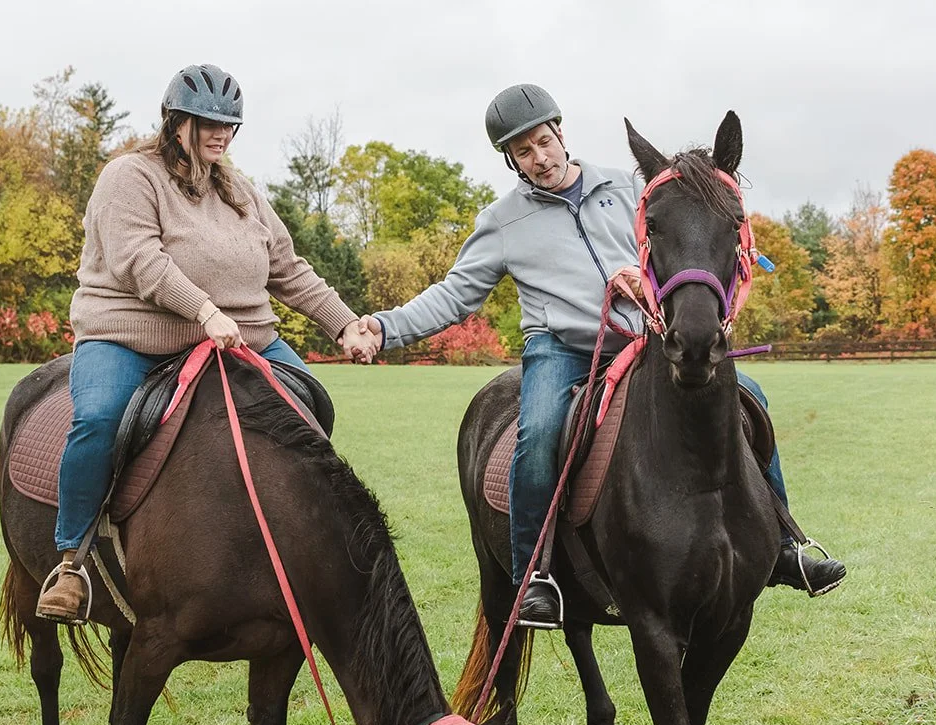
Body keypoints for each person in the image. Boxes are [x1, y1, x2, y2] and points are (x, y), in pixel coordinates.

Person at [351, 84, 845, 629]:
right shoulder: (502, 222)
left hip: (644, 339)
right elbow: (453, 295)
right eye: (523, 152)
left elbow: (683, 234)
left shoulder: (628, 187)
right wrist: (382, 326)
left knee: (749, 395)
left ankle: (782, 544)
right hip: (561, 348)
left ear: (560, 132)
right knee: (537, 434)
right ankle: (533, 577)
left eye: (543, 141)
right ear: (511, 160)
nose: (539, 158)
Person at [36, 63, 379, 622]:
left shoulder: (240, 190)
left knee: (312, 406)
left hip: (243, 336)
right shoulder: (129, 176)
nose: (223, 134)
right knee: (97, 420)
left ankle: (295, 543)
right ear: (177, 123)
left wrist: (342, 324)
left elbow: (287, 268)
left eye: (231, 125)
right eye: (209, 123)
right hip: (132, 334)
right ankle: (72, 561)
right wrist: (204, 311)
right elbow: (138, 261)